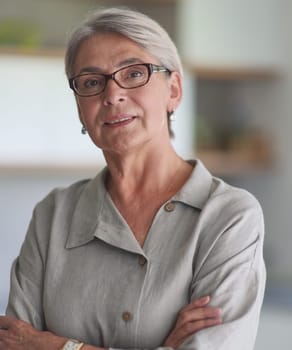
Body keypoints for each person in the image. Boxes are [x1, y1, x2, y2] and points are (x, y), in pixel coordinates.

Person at [0, 7, 266, 350]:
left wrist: (57, 346)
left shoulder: (229, 216)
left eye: (134, 73)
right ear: (80, 106)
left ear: (173, 90)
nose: (112, 95)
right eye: (92, 82)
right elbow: (14, 344)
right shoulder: (53, 214)